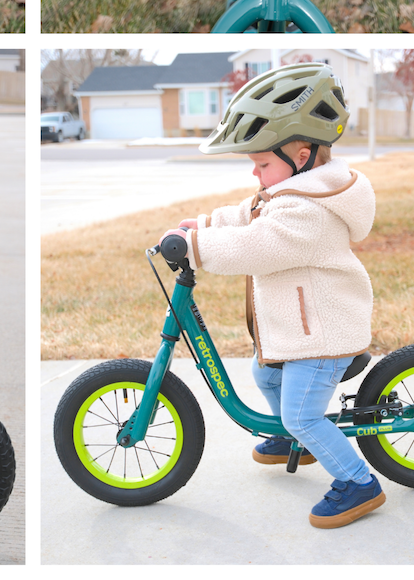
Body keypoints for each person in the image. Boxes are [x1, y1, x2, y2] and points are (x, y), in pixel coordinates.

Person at [160, 63, 384, 529]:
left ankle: (359, 482)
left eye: (262, 164)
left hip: (322, 334)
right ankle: (291, 439)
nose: (256, 174)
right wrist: (202, 225)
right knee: (266, 378)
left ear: (300, 155)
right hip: (300, 330)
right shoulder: (287, 192)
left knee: (302, 415)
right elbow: (248, 215)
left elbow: (256, 244)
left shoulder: (307, 211)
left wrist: (198, 250)